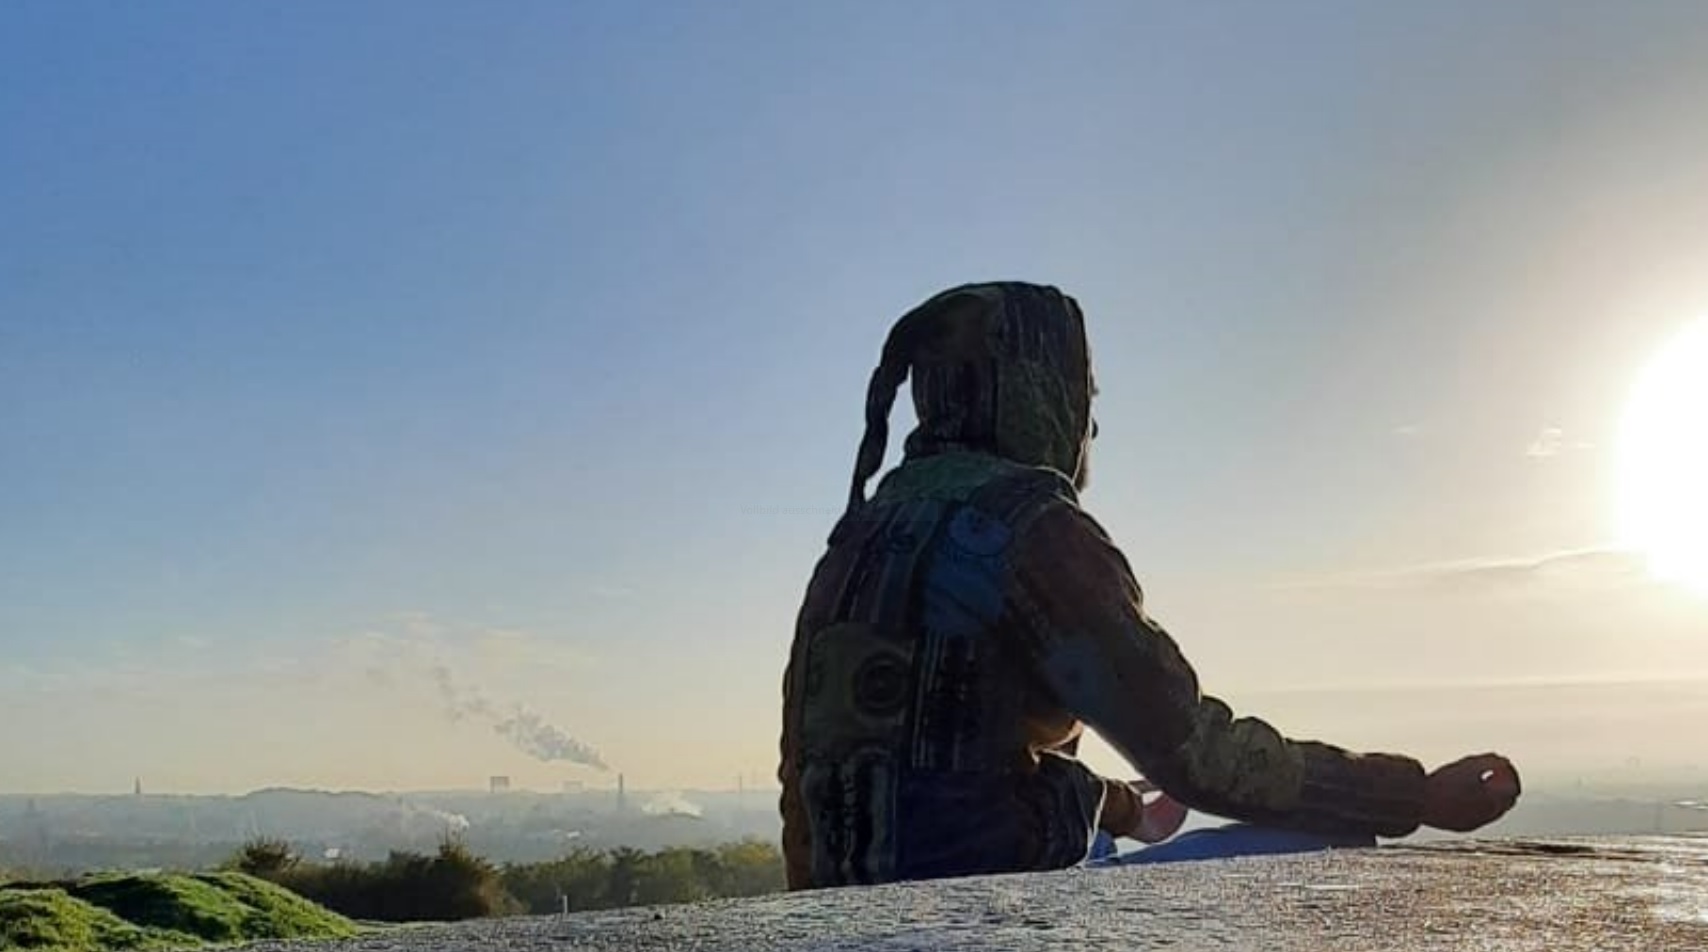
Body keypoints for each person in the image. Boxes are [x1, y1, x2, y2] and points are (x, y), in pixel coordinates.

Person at [776, 281, 1521, 890]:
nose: (1090, 432)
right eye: (1086, 399)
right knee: (1330, 850)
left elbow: (894, 782)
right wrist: (1413, 795)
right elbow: (1198, 753)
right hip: (983, 916)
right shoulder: (1029, 529)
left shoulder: (864, 531)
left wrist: (1129, 812)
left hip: (850, 911)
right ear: (1044, 393)